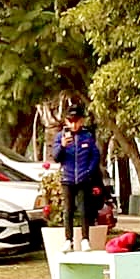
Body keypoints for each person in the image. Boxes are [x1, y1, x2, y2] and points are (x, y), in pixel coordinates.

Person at [52, 102, 103, 251]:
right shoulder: (60, 136)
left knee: (84, 210)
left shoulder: (87, 136)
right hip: (67, 179)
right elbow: (56, 157)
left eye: (77, 121)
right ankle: (68, 239)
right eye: (71, 121)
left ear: (82, 121)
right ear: (67, 121)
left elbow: (95, 156)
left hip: (83, 179)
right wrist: (62, 146)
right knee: (68, 210)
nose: (74, 125)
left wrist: (88, 172)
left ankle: (85, 239)